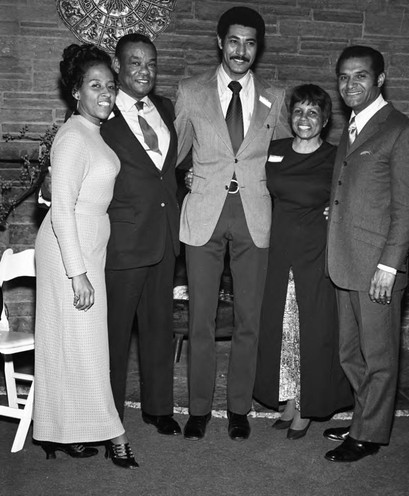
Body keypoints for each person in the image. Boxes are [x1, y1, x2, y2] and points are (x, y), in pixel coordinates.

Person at [175, 6, 290, 441]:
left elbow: (285, 160)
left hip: (256, 217)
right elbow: (175, 152)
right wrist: (185, 176)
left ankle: (239, 407)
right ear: (219, 42)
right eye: (234, 41)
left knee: (249, 318)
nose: (241, 51)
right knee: (200, 318)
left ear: (258, 48)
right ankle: (200, 409)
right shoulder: (191, 90)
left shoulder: (274, 96)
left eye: (250, 43)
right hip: (203, 214)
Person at [33, 44, 138, 469]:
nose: (106, 92)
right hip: (67, 250)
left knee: (71, 345)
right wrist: (77, 273)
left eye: (110, 86)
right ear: (76, 91)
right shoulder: (73, 136)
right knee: (88, 347)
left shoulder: (92, 132)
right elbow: (61, 208)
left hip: (86, 245)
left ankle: (64, 431)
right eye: (95, 85)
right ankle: (116, 435)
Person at [323, 45, 409, 462]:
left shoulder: (401, 131)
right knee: (350, 352)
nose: (351, 85)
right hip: (345, 261)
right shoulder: (350, 128)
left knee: (379, 356)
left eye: (360, 76)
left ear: (380, 79)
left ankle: (369, 435)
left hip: (377, 268)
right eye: (344, 77)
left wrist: (389, 265)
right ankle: (364, 417)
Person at [253, 84, 352, 440]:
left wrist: (337, 210)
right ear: (289, 117)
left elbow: (355, 193)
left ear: (325, 120)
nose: (304, 119)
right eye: (298, 112)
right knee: (284, 327)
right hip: (278, 251)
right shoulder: (274, 150)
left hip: (315, 252)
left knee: (313, 328)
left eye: (313, 112)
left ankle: (309, 405)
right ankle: (290, 399)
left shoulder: (336, 156)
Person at [100, 33, 181, 436]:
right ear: (117, 66)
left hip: (165, 237)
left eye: (150, 63)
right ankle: (108, 415)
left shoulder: (165, 108)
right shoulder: (99, 114)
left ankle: (158, 407)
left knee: (158, 326)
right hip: (123, 241)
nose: (144, 71)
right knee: (114, 335)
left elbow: (169, 172)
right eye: (135, 62)